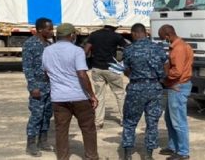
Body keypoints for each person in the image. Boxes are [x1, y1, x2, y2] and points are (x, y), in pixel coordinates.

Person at [42, 23, 99, 160]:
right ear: (72, 35)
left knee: (61, 130)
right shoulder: (77, 51)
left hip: (58, 98)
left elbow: (46, 73)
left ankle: (62, 157)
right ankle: (91, 156)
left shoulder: (47, 51)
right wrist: (92, 95)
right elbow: (82, 74)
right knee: (88, 128)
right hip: (79, 96)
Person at [120, 23, 167, 160]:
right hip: (154, 88)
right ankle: (148, 155)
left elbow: (127, 69)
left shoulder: (129, 49)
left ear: (134, 33)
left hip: (136, 88)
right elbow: (165, 66)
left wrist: (135, 76)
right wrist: (161, 79)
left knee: (130, 122)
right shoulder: (158, 48)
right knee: (152, 123)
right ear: (145, 33)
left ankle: (128, 155)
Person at [157, 25, 193, 160]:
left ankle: (183, 152)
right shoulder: (182, 45)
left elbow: (177, 71)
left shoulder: (178, 49)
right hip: (177, 85)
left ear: (167, 35)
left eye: (163, 38)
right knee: (170, 118)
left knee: (178, 120)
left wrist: (164, 78)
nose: (164, 41)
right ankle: (173, 146)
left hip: (177, 86)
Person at [84, 18, 127, 129]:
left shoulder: (94, 35)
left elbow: (86, 50)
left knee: (99, 95)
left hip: (97, 68)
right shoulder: (117, 37)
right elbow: (127, 48)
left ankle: (98, 121)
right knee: (119, 94)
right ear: (114, 27)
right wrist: (122, 62)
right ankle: (124, 119)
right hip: (112, 68)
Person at [22, 17, 55, 157]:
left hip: (50, 85)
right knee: (36, 115)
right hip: (38, 85)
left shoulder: (48, 45)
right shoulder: (30, 44)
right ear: (41, 29)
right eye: (49, 29)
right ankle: (31, 144)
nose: (52, 31)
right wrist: (33, 86)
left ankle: (43, 141)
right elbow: (27, 67)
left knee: (47, 114)